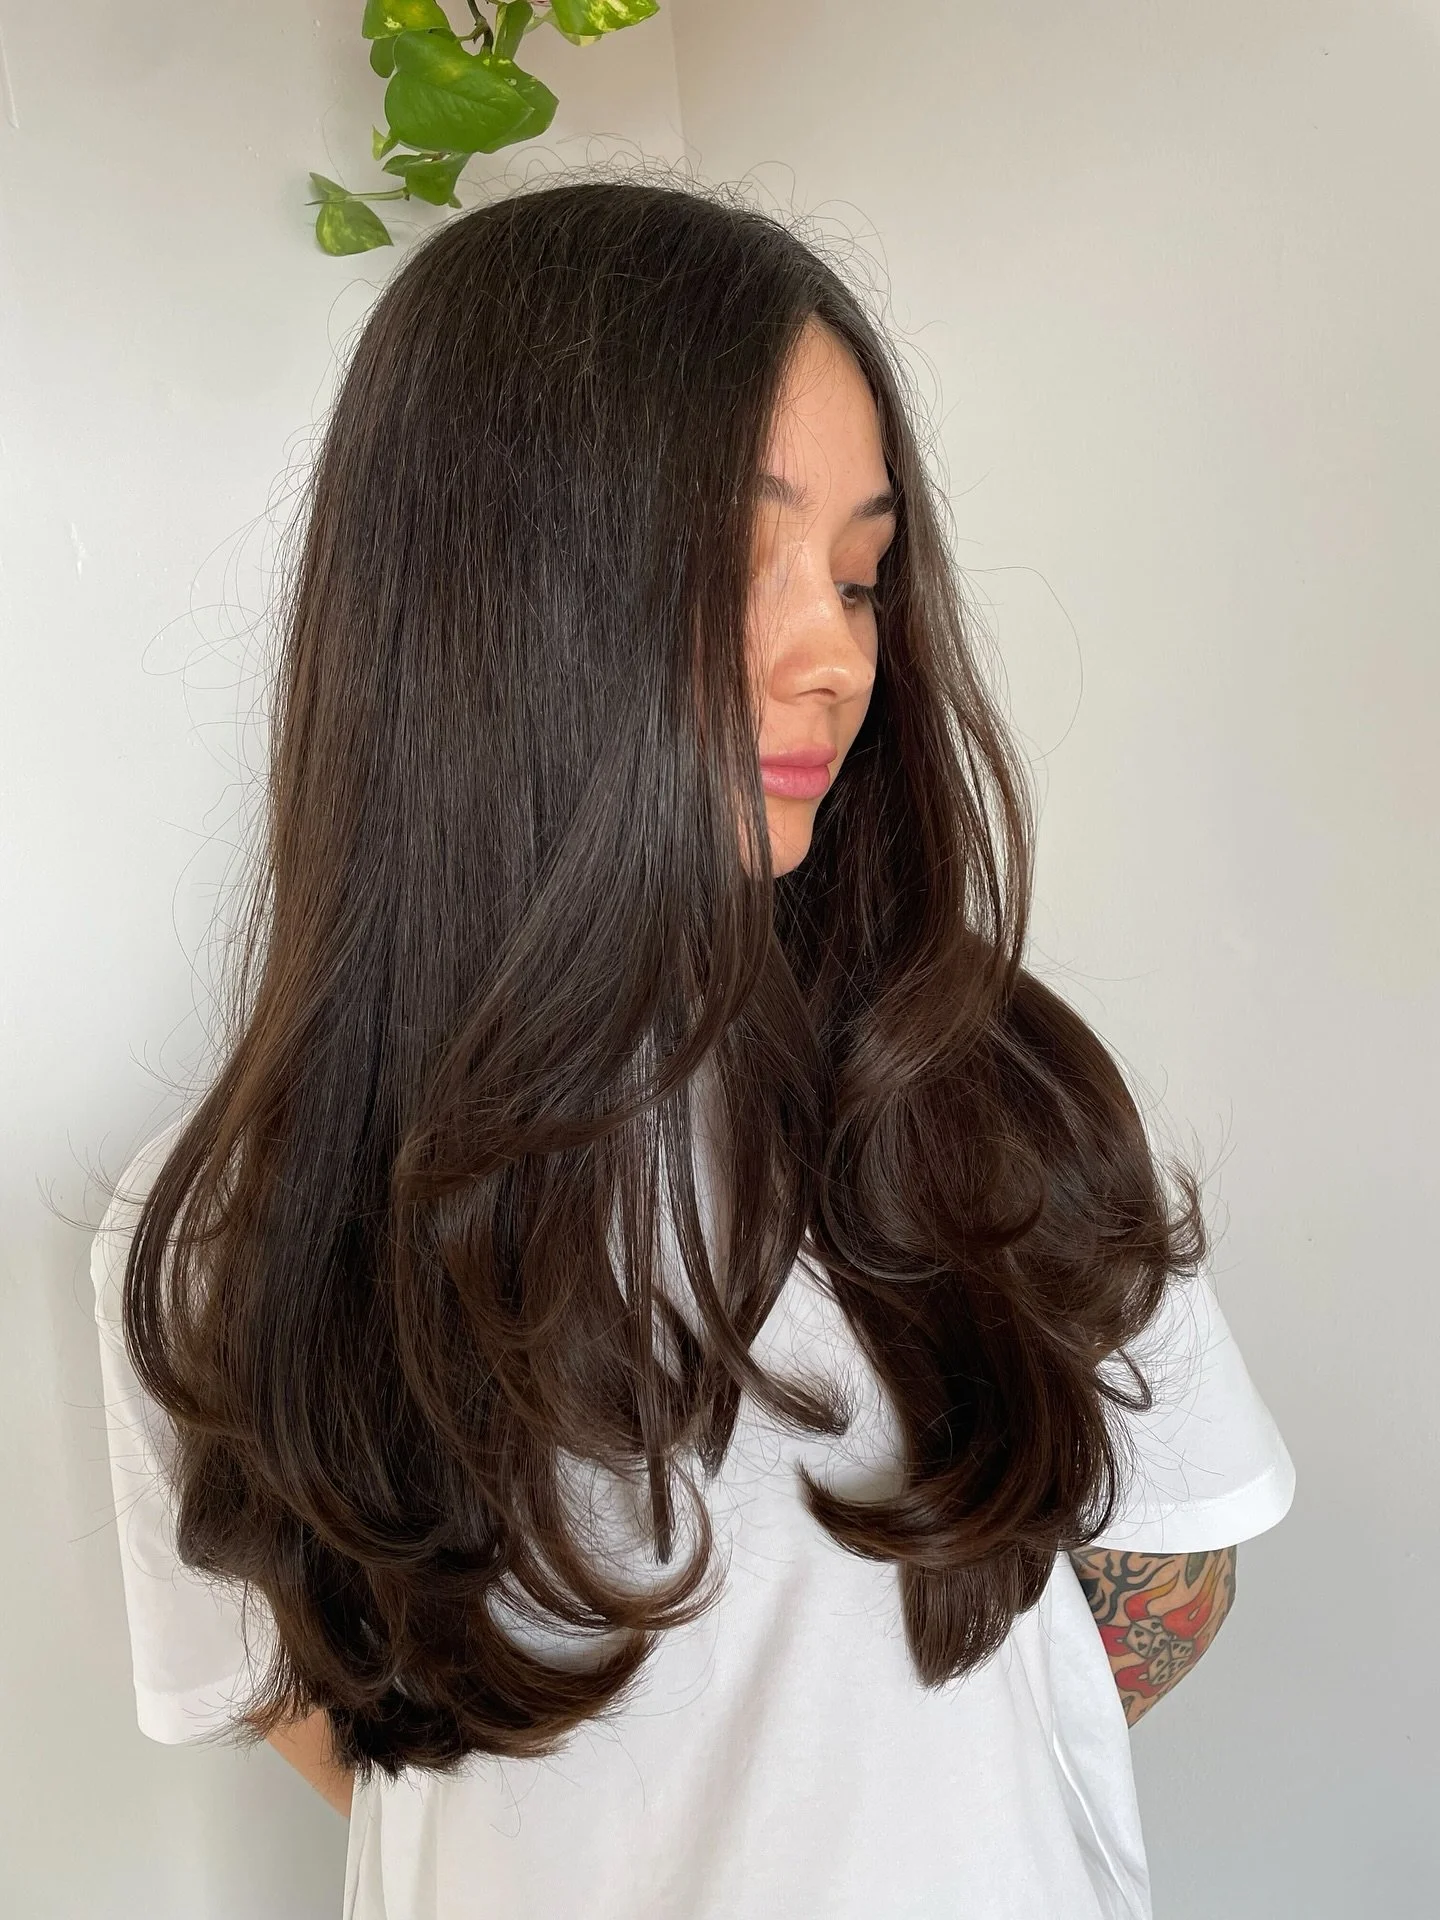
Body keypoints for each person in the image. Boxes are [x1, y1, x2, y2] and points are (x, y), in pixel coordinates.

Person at [91, 177, 1295, 1920]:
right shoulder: (226, 1228)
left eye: (865, 575)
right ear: (490, 599)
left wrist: (903, 1791)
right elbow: (307, 1693)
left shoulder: (971, 1091)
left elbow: (1176, 1554)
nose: (840, 658)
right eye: (747, 559)